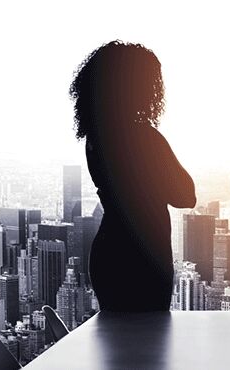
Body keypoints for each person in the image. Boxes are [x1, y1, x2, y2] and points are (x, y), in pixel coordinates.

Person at [69, 41, 196, 311]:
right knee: (149, 343)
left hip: (110, 252)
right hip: (146, 255)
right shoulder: (145, 137)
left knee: (118, 344)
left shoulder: (95, 138)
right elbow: (186, 195)